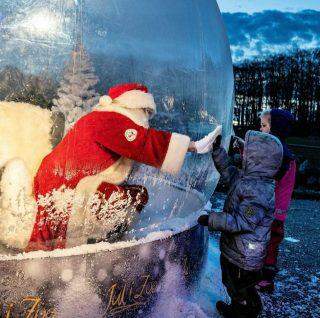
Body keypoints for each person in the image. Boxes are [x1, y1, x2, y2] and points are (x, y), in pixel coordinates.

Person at [26, 82, 219, 252]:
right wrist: (192, 146)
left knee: (134, 195)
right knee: (52, 230)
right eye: (145, 111)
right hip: (63, 180)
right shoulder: (110, 120)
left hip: (60, 176)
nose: (146, 119)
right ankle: (53, 264)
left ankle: (69, 251)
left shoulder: (103, 117)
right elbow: (143, 142)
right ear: (134, 106)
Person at [198, 130, 283, 318]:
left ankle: (244, 311)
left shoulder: (258, 194)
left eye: (246, 152)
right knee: (235, 285)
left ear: (258, 160)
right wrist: (217, 151)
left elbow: (243, 221)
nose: (241, 153)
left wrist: (211, 219)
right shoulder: (249, 179)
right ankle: (247, 306)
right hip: (238, 250)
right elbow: (228, 171)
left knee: (238, 286)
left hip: (244, 256)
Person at [257, 109, 296, 293]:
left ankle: (266, 280)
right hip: (274, 211)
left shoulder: (281, 156)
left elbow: (268, 178)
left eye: (264, 126)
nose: (260, 128)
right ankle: (262, 275)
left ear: (276, 130)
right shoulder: (281, 153)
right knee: (267, 243)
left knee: (269, 244)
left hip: (273, 212)